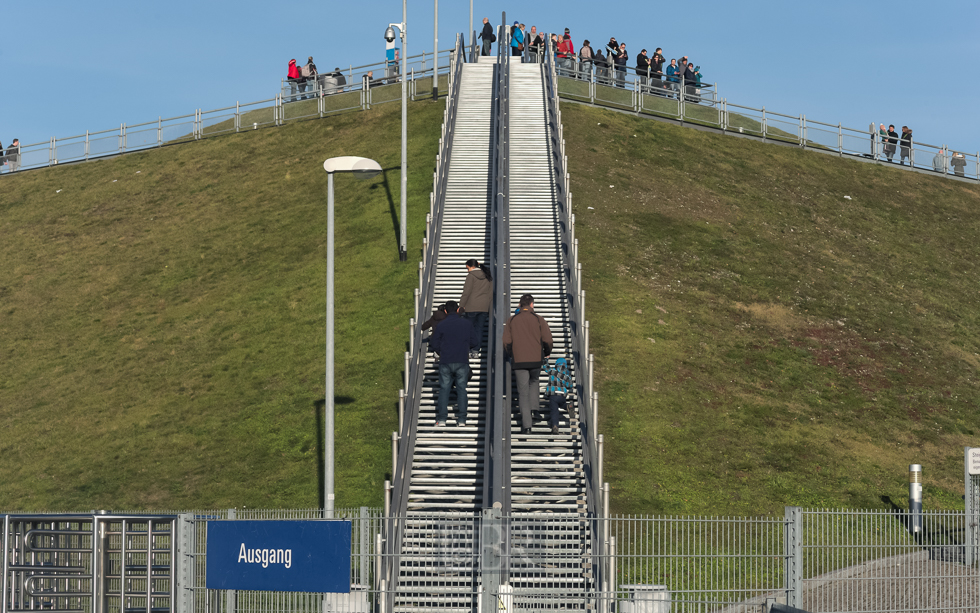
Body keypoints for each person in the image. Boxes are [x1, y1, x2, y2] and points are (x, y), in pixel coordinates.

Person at [503, 294, 553, 434]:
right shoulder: (538, 319)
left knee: (523, 392)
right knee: (535, 381)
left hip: (519, 360)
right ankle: (535, 409)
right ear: (531, 304)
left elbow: (506, 341)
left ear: (520, 305)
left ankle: (527, 426)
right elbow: (548, 339)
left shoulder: (512, 320)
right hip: (536, 358)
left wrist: (511, 353)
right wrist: (547, 351)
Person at [430, 300, 478, 427]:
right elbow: (475, 342)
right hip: (462, 360)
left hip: (446, 360)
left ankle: (442, 419)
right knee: (462, 389)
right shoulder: (466, 324)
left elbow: (434, 344)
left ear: (445, 311)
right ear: (457, 310)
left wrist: (442, 350)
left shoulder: (441, 325)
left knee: (444, 389)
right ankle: (462, 419)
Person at [458, 259, 493, 358]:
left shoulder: (471, 276)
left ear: (470, 266)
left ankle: (468, 349)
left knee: (469, 328)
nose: (467, 270)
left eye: (467, 268)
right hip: (484, 307)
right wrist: (489, 307)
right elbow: (490, 294)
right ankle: (476, 350)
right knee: (479, 329)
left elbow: (466, 292)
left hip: (471, 306)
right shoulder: (487, 275)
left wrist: (461, 305)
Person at [543, 357, 572, 434]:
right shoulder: (567, 374)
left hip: (553, 394)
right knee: (561, 404)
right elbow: (570, 385)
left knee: (554, 411)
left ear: (556, 364)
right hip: (562, 396)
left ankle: (555, 426)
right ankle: (567, 406)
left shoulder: (553, 371)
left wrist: (545, 359)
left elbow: (545, 367)